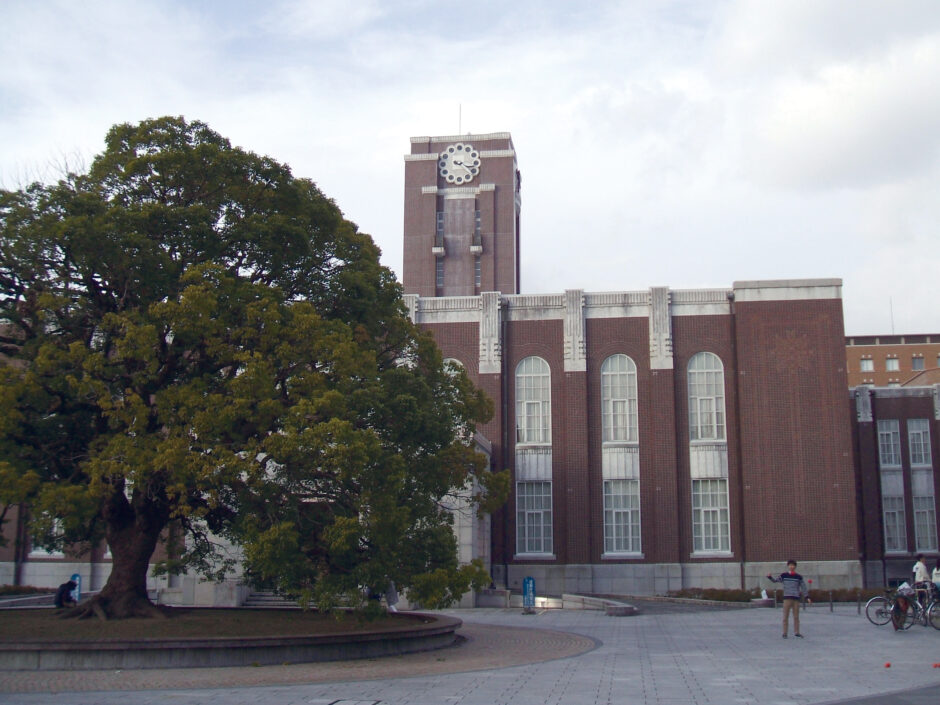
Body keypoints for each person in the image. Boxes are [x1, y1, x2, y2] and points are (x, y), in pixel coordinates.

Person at [766, 560, 809, 638]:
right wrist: (770, 577)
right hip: (787, 598)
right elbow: (775, 581)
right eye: (790, 565)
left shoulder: (798, 577)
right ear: (788, 566)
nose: (791, 567)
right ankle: (785, 633)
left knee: (796, 616)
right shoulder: (784, 575)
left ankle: (797, 632)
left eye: (793, 565)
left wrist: (807, 596)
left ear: (795, 567)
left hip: (796, 598)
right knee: (785, 616)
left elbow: (803, 587)